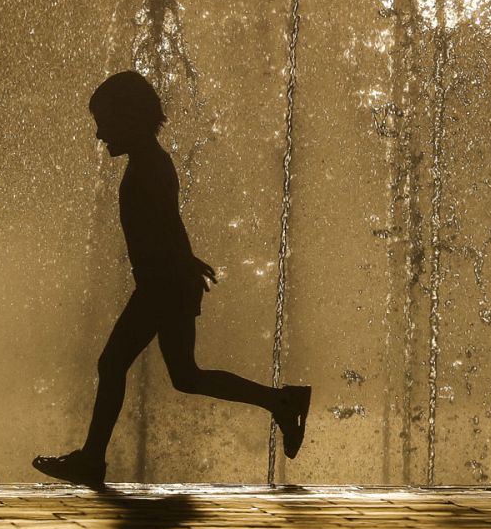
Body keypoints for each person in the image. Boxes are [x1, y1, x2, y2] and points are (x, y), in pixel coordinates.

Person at [33, 71, 310, 487]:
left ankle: (91, 460)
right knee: (186, 376)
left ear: (131, 119)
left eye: (105, 122)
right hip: (167, 282)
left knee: (114, 364)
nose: (99, 133)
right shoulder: (150, 161)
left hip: (161, 286)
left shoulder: (149, 165)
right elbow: (168, 222)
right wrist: (186, 260)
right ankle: (281, 401)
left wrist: (182, 264)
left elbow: (165, 222)